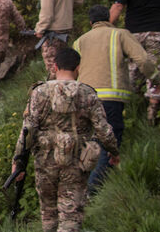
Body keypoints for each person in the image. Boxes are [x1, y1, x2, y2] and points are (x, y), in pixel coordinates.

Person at [12, 48, 119, 232]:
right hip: (75, 163)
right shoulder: (88, 94)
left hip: (45, 161)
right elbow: (103, 130)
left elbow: (27, 130)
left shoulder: (39, 93)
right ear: (78, 67)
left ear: (55, 66)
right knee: (70, 216)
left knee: (48, 215)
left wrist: (18, 161)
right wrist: (113, 151)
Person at [72, 5, 158, 193]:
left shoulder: (79, 41)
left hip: (82, 98)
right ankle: (92, 191)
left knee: (87, 143)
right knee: (108, 143)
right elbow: (142, 60)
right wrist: (156, 78)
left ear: (90, 23)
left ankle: (77, 188)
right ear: (110, 20)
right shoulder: (120, 34)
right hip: (109, 99)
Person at [35, 0, 84, 79]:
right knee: (65, 63)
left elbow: (46, 12)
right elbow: (79, 1)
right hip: (67, 29)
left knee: (53, 66)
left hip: (52, 32)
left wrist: (40, 29)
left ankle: (53, 90)